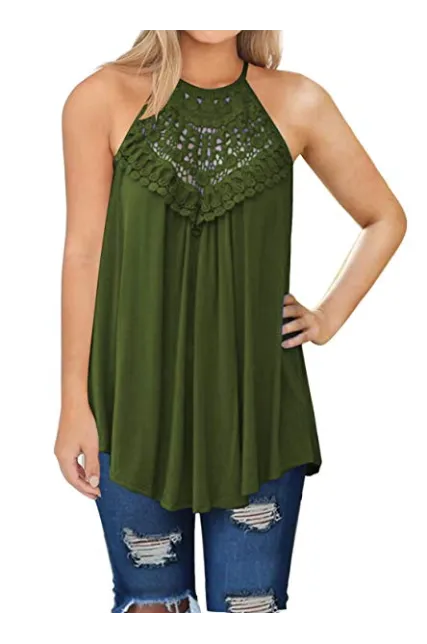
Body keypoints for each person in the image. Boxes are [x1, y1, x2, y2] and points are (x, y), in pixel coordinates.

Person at [54, 28, 407, 615]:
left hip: (257, 415)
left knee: (250, 613)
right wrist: (73, 401)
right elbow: (83, 254)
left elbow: (384, 217)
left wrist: (327, 317)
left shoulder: (298, 101)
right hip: (131, 409)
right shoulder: (101, 97)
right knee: (151, 610)